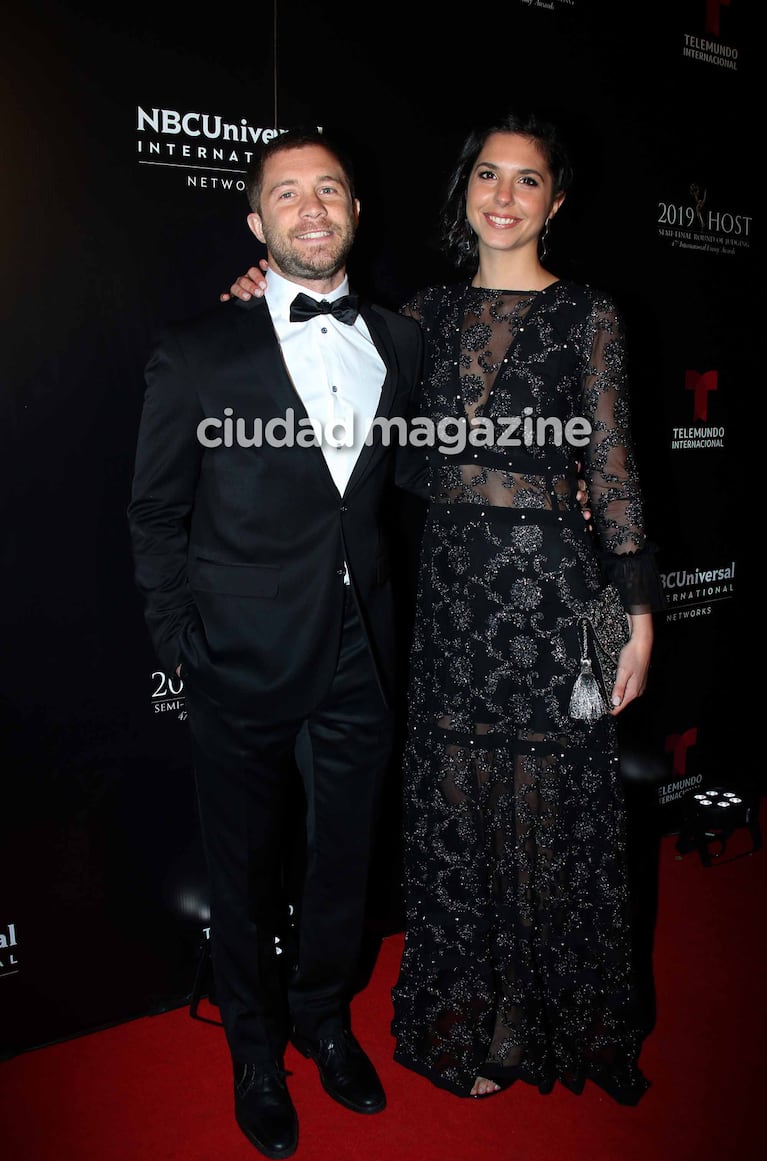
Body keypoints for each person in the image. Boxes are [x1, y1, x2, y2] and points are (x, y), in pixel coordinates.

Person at [225, 110, 665, 1108]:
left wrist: (634, 615)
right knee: (457, 816)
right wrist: (260, 289)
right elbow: (328, 365)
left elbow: (613, 470)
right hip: (452, 603)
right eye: (487, 178)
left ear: (554, 201)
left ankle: (565, 1019)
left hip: (571, 596)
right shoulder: (414, 317)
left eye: (526, 180)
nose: (503, 197)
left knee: (567, 814)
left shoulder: (589, 314)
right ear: (463, 193)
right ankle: (473, 1020)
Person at [127, 127, 426, 1160]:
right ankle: (253, 1053)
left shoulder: (398, 341)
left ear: (354, 212)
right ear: (255, 222)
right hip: (238, 662)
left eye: (329, 191)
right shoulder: (195, 351)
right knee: (244, 869)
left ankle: (322, 1020)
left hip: (360, 657)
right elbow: (155, 516)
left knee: (343, 864)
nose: (310, 209)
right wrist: (183, 646)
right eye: (285, 195)